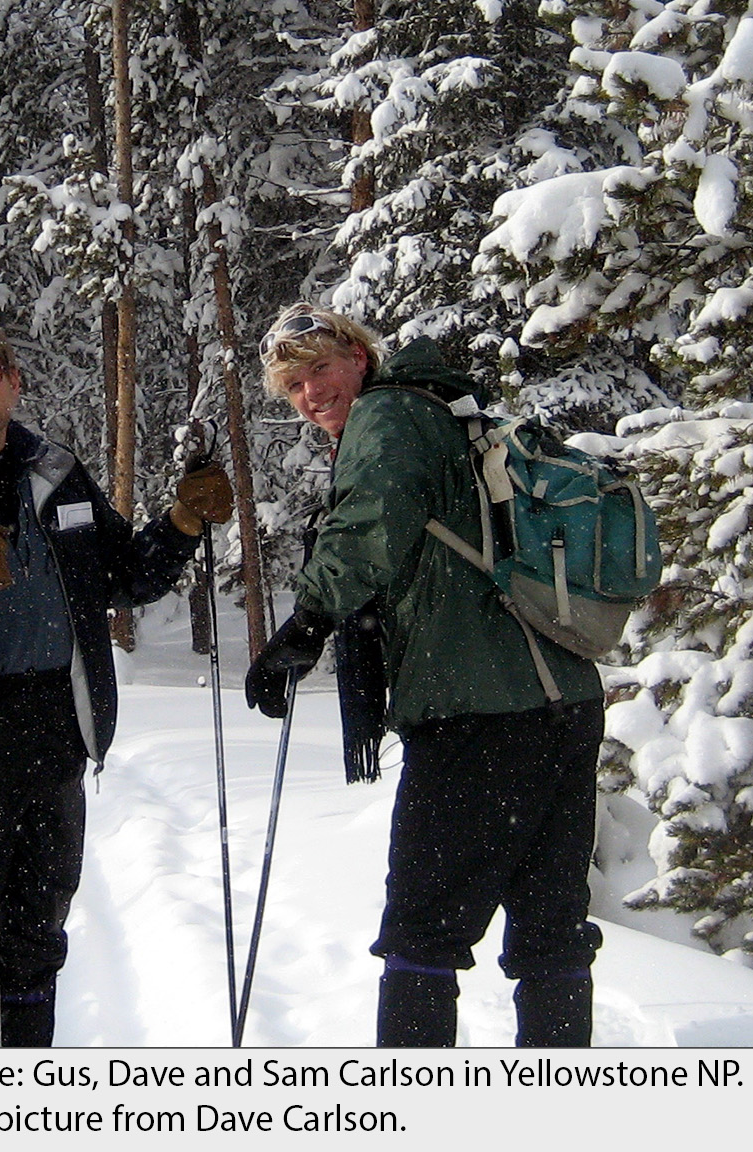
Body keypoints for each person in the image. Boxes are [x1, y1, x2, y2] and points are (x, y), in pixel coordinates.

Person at [243, 302, 606, 1048]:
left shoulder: (388, 417)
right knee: (551, 933)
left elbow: (370, 523)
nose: (312, 393)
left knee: (421, 935)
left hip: (478, 711)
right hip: (561, 702)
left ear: (358, 355)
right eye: (294, 386)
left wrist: (304, 628)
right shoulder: (449, 411)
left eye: (320, 369)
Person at [0, 319, 234, 1046]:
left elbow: (123, 576)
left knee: (34, 935)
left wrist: (182, 521)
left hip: (50, 726)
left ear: (14, 382)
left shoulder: (56, 469)